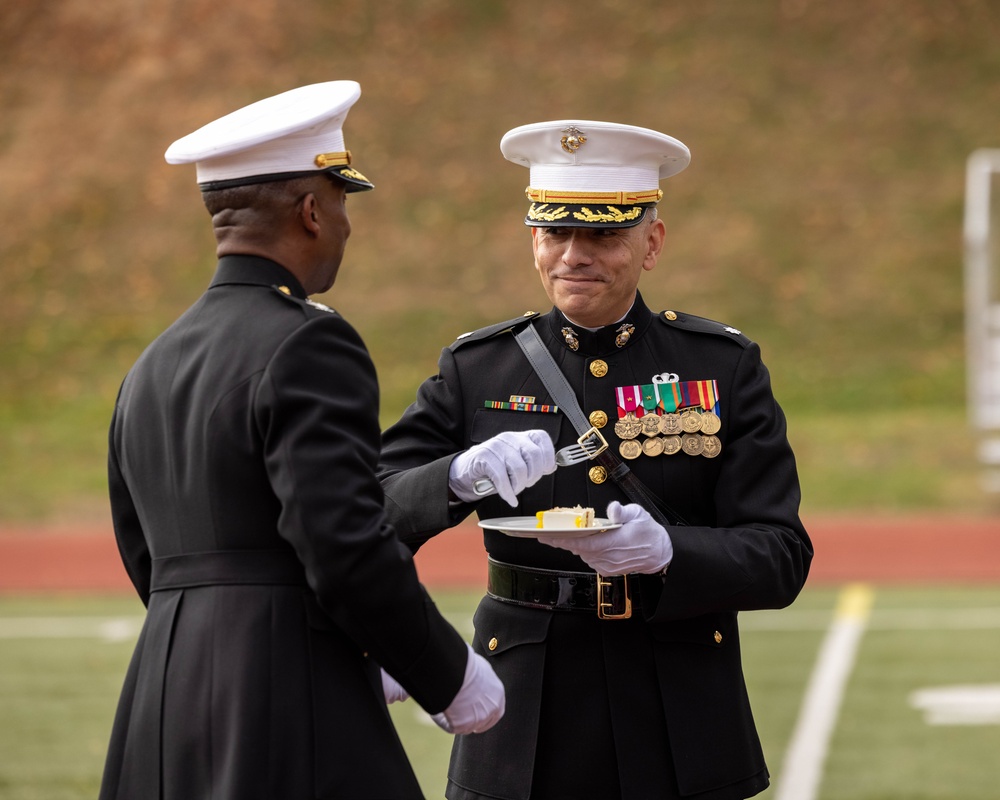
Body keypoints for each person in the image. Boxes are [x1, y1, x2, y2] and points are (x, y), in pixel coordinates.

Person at [376, 119, 813, 800]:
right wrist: (456, 477)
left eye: (604, 234)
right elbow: (371, 506)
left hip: (676, 695)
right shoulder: (477, 368)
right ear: (533, 242)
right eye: (556, 233)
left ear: (652, 242)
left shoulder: (720, 366)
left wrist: (669, 551)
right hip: (524, 701)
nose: (574, 254)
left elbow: (782, 556)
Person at [99, 81, 504, 800]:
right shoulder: (309, 344)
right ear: (312, 211)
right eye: (342, 201)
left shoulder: (151, 363)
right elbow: (343, 544)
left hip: (165, 696)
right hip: (284, 700)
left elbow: (146, 556)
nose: (347, 224)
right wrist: (447, 674)